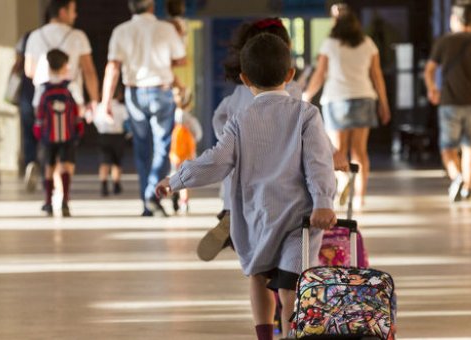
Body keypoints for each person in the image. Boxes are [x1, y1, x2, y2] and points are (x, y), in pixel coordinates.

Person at [156, 33, 337, 340]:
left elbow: (215, 162)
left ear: (244, 78)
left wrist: (175, 181)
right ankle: (293, 334)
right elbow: (320, 162)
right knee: (291, 286)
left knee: (258, 274)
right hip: (300, 222)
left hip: (256, 219)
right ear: (290, 75)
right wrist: (323, 202)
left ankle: (265, 335)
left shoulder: (240, 118)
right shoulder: (306, 114)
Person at [196, 18, 348, 263]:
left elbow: (219, 118)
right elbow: (312, 135)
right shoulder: (291, 89)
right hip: (281, 191)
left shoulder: (239, 90)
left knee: (257, 264)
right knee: (285, 255)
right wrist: (334, 153)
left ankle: (230, 218)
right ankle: (284, 283)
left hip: (243, 186)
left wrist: (231, 143)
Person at [101, 0, 186, 217]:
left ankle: (146, 203)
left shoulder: (121, 31)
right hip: (160, 91)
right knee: (162, 146)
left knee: (142, 149)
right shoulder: (166, 29)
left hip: (134, 93)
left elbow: (113, 67)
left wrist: (106, 101)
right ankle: (151, 195)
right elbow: (181, 59)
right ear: (151, 7)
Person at [303, 3, 391, 212]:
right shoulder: (368, 43)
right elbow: (376, 75)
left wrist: (307, 94)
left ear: (336, 24)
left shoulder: (330, 44)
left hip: (337, 100)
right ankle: (360, 197)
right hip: (364, 98)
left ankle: (342, 183)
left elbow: (320, 74)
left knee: (338, 151)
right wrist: (384, 103)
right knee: (359, 152)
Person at [423, 3, 471, 202]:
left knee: (448, 147)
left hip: (449, 103)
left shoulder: (443, 43)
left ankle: (457, 177)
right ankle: (469, 185)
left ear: (454, 20)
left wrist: (433, 88)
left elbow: (429, 70)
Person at [33, 49, 84, 217]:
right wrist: (79, 127)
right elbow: (78, 109)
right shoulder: (71, 86)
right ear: (64, 66)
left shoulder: (43, 87)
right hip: (68, 134)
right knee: (66, 165)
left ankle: (48, 201)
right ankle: (65, 200)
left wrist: (38, 130)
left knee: (49, 165)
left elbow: (38, 111)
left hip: (48, 135)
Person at [25, 0, 100, 114]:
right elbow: (88, 71)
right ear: (63, 12)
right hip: (72, 99)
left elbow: (29, 71)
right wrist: (94, 100)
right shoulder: (78, 37)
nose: (75, 15)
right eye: (73, 11)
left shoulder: (34, 36)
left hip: (42, 101)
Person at [12, 31, 40, 192]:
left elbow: (16, 66)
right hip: (45, 92)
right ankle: (48, 167)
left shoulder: (25, 39)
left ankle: (31, 161)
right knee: (46, 131)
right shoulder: (48, 39)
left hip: (27, 92)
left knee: (28, 133)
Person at [93, 89, 128, 197]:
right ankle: (116, 184)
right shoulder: (122, 108)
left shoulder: (100, 107)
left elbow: (96, 121)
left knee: (104, 162)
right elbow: (126, 121)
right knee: (117, 162)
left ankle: (104, 184)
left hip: (104, 136)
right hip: (118, 136)